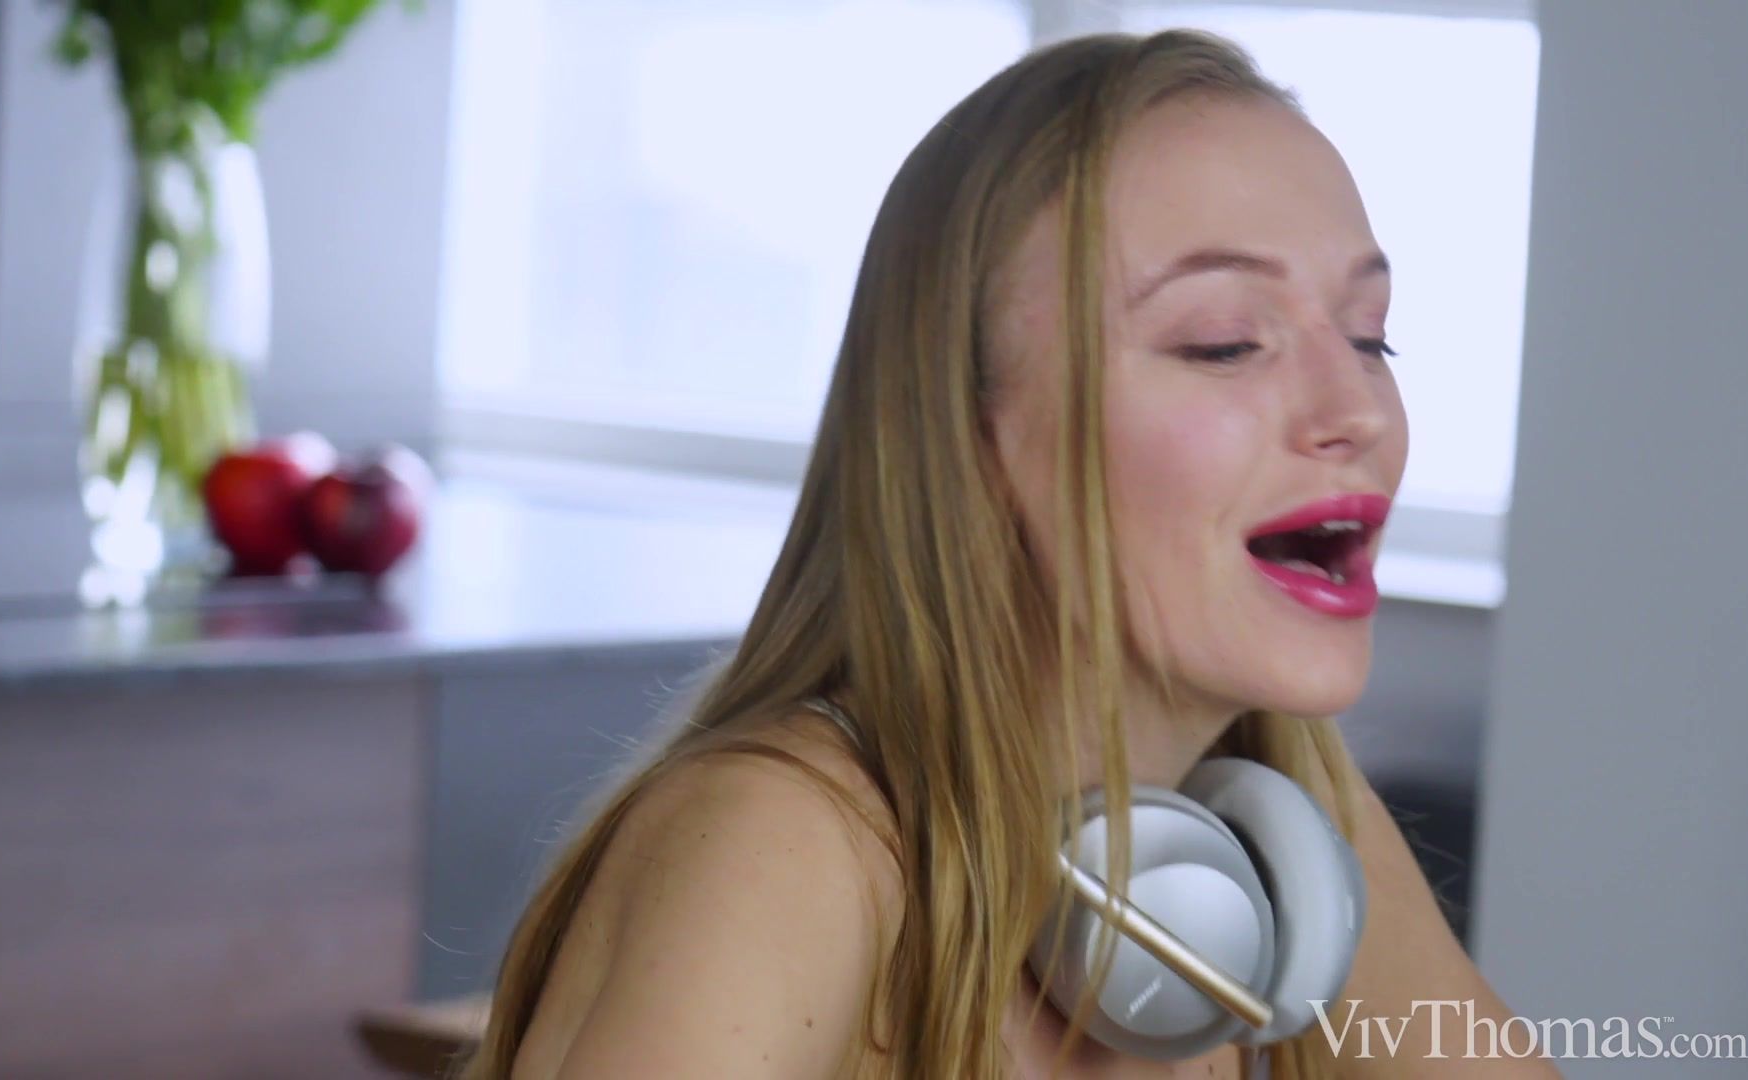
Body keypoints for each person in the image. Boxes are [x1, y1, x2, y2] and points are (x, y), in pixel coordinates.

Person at [458, 29, 1558, 1080]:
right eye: (1223, 342)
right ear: (968, 433)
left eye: (1370, 337)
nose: (1355, 409)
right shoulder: (782, 847)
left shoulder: (1291, 848)